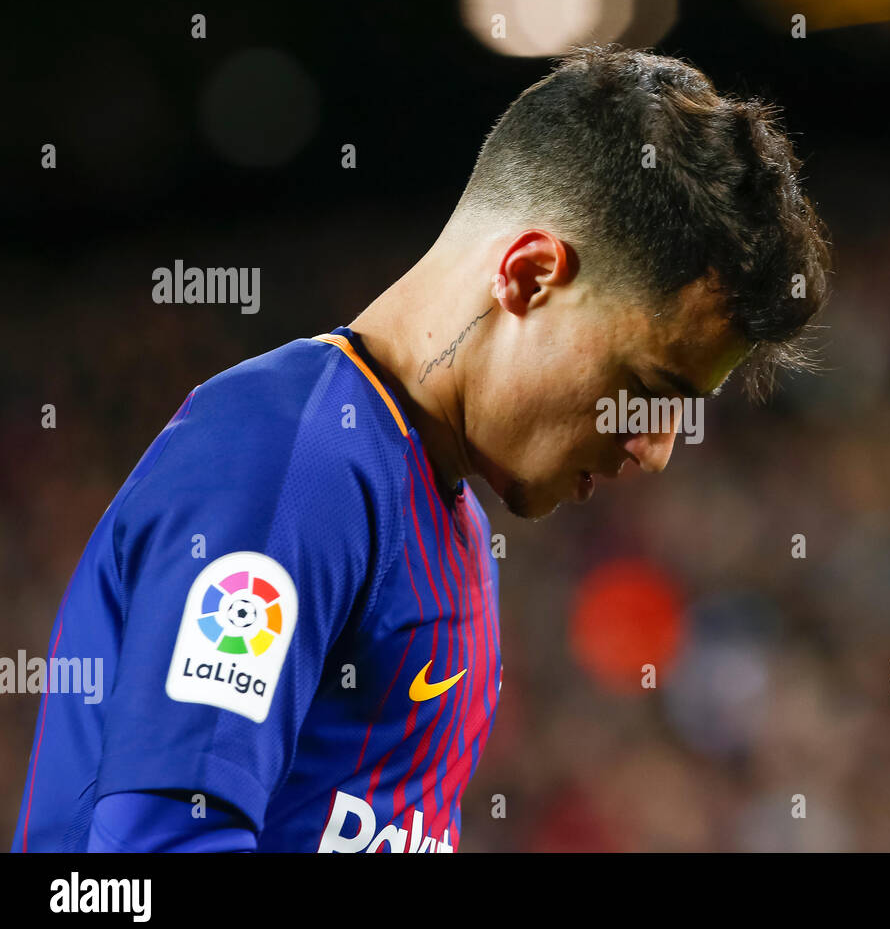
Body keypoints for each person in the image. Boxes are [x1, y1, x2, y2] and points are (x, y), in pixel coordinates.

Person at [11, 43, 830, 852]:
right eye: (648, 390)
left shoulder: (454, 519)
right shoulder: (290, 465)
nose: (656, 451)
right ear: (530, 276)